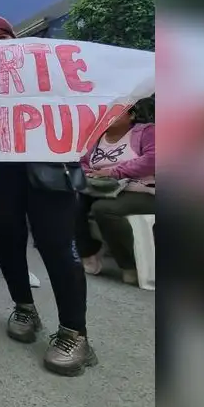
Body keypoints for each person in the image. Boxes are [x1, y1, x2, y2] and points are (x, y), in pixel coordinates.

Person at [0, 15, 96, 376]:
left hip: (47, 166)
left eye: (2, 35)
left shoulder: (45, 69)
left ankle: (74, 332)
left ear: (16, 40)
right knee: (7, 238)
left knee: (56, 244)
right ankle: (25, 307)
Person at [76, 105, 156, 285]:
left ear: (132, 115)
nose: (109, 117)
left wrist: (114, 172)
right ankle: (88, 252)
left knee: (104, 209)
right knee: (71, 202)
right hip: (102, 188)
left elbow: (153, 159)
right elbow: (81, 162)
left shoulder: (146, 132)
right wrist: (89, 173)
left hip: (141, 190)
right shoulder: (95, 136)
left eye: (116, 112)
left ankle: (129, 265)